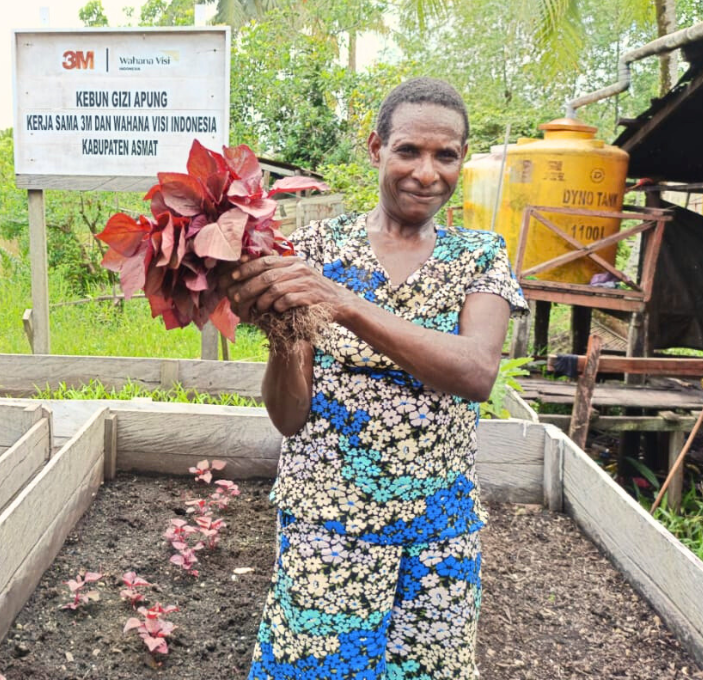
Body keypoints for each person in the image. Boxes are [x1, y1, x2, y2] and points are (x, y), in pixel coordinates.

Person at [223, 77, 527, 679]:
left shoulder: (480, 255)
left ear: (463, 158)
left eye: (447, 155)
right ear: (375, 149)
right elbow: (288, 417)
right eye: (409, 151)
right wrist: (284, 333)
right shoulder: (310, 249)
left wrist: (348, 306)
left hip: (435, 530)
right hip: (328, 523)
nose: (426, 172)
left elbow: (476, 372)